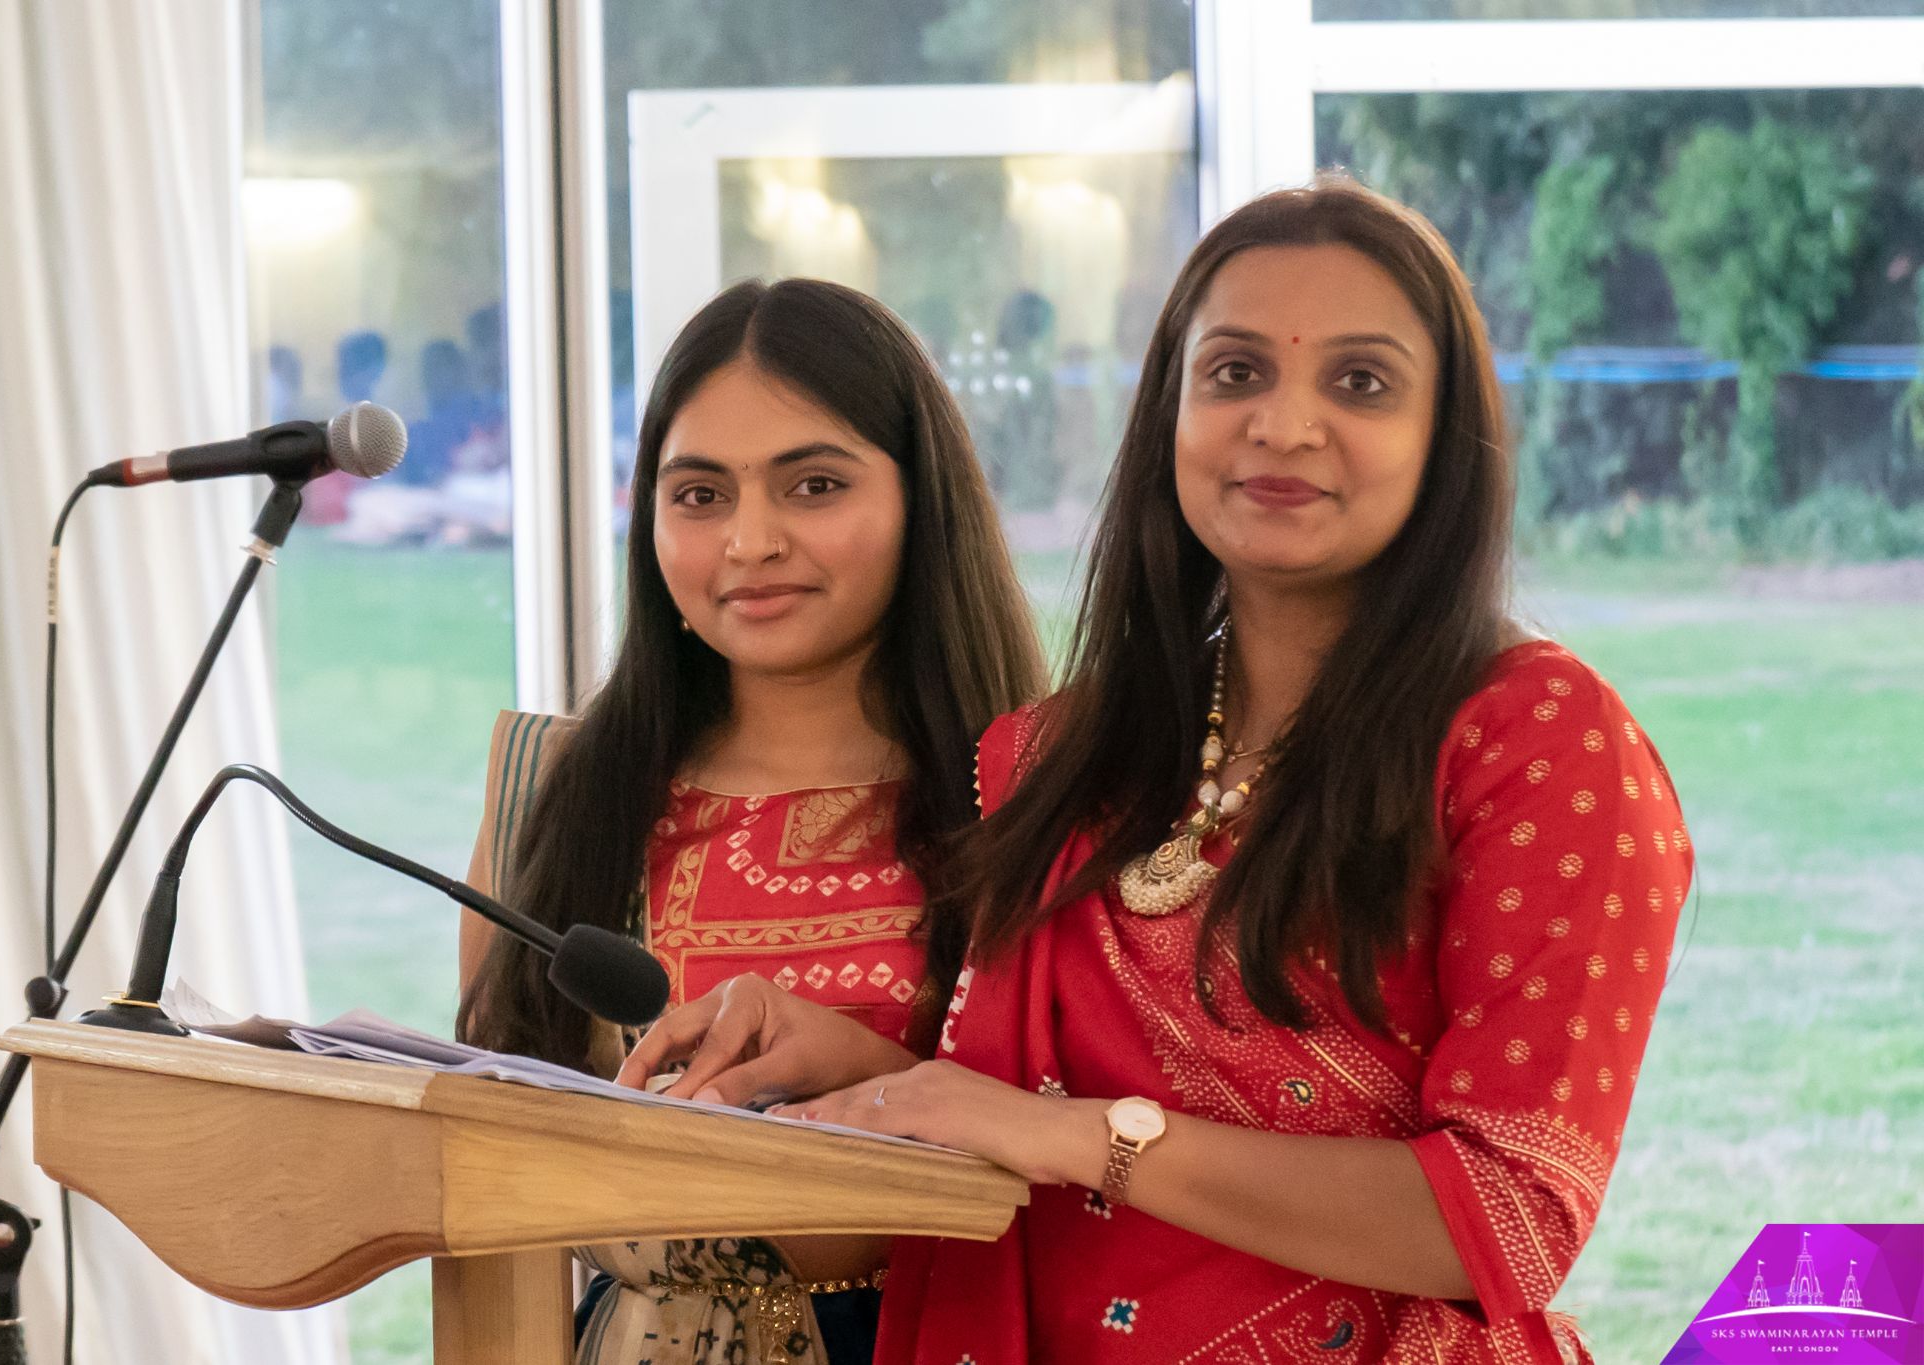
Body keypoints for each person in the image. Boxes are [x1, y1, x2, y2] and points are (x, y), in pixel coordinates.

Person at [621, 178, 1695, 1363]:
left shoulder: (1537, 742)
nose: (1282, 426)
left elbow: (1506, 1216)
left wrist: (1094, 1141)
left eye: (1359, 381)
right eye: (1233, 373)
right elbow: (1026, 1125)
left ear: (1444, 435)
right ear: (1166, 417)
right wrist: (871, 1072)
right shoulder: (1074, 754)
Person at [456, 277, 1045, 1365]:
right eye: (699, 495)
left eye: (812, 485)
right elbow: (494, 1195)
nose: (750, 541)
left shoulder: (1044, 790)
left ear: (924, 501)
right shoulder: (555, 781)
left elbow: (1094, 1173)